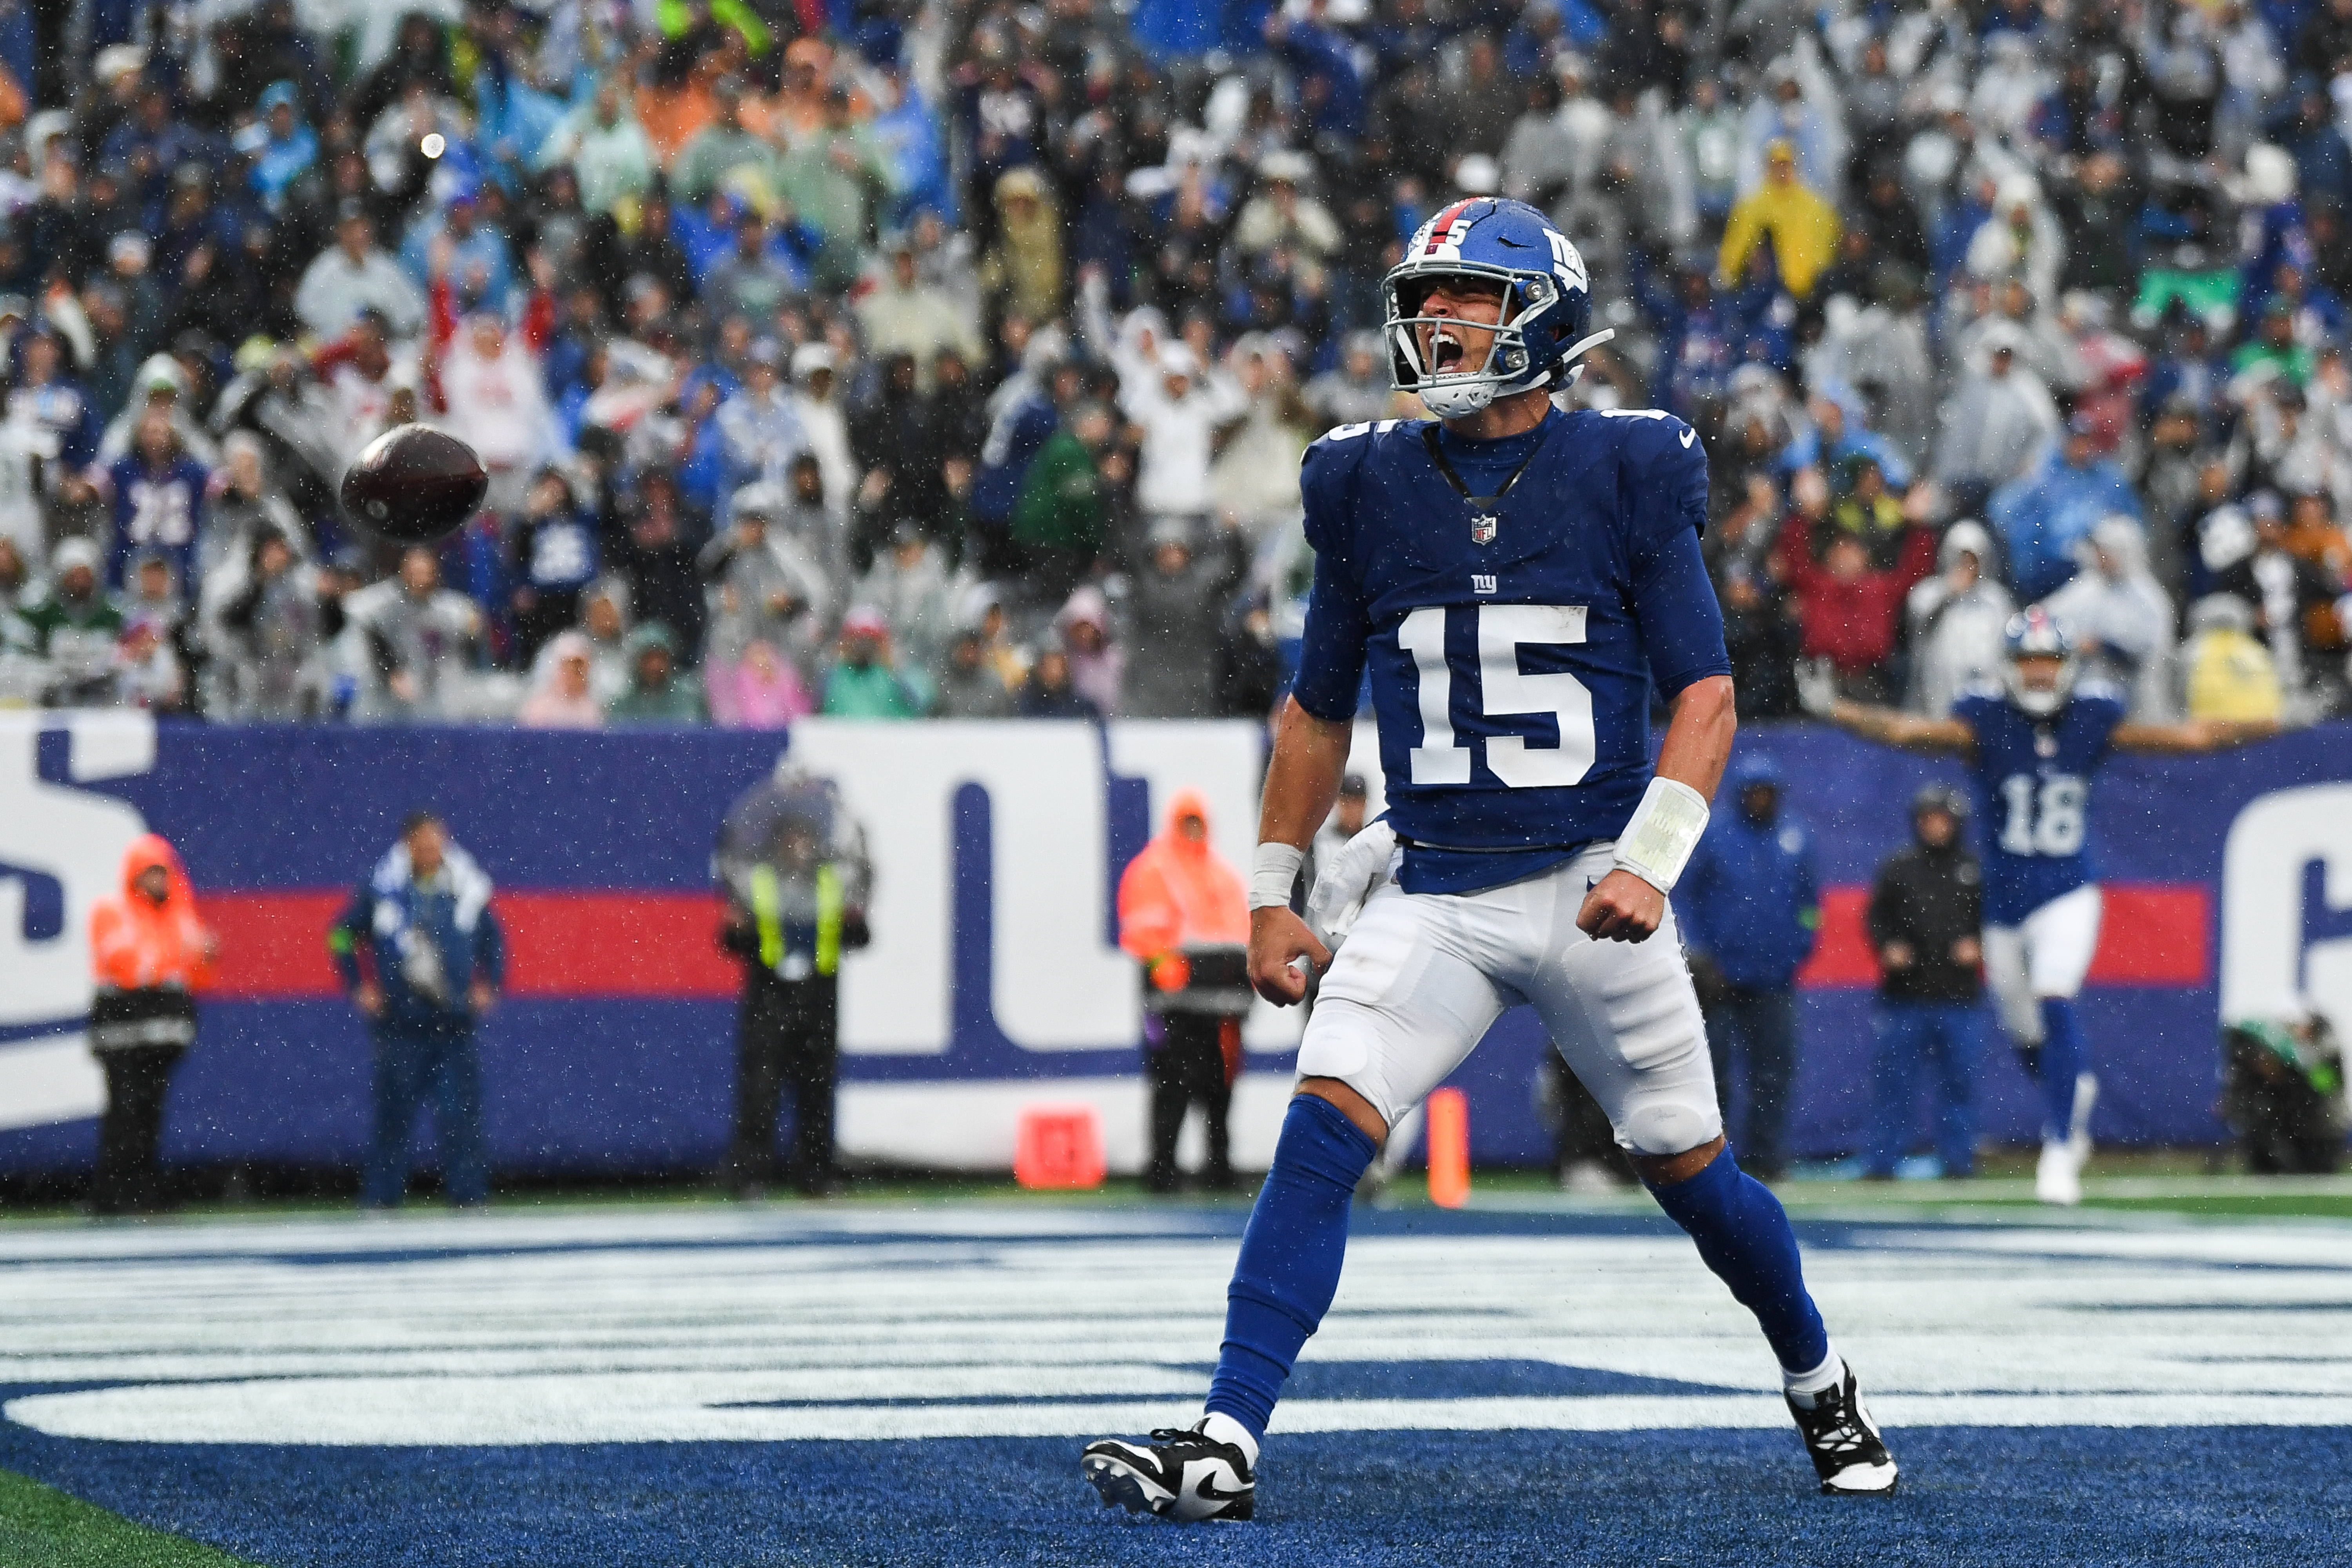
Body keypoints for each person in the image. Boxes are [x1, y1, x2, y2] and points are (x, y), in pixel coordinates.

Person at [1083, 198, 1897, 1519]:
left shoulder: (1628, 470)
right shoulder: (1364, 482)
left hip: (1592, 887)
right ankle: (1226, 1439)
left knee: (1696, 1176)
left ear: (1546, 322)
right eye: (1425, 297)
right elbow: (1315, 709)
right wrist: (1275, 892)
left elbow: (1706, 700)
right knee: (1322, 1123)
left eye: (1465, 297)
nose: (1434, 321)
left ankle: (1816, 1376)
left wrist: (1653, 860)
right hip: (1437, 888)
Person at [1801, 610, 2283, 1205]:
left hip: (2067, 891)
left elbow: (2192, 738)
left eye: (2049, 660)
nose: (2037, 673)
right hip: (2005, 905)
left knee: (2057, 1000)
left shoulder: (2092, 718)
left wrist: (2273, 723)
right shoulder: (1986, 721)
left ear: (2067, 666)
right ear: (2009, 667)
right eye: (2028, 661)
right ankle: (2069, 1098)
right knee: (2028, 1034)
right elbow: (1908, 733)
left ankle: (2059, 1147)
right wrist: (1840, 711)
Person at [328, 812, 504, 1210]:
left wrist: (488, 983)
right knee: (394, 1116)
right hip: (402, 1024)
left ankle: (468, 1196)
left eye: (437, 844)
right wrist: (360, 985)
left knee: (460, 1115)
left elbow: (493, 939)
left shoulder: (464, 887)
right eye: (424, 845)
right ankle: (382, 1198)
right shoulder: (383, 888)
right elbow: (340, 934)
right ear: (408, 845)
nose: (431, 852)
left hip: (453, 1024)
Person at [715, 770, 872, 1198]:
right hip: (769, 996)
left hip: (819, 996)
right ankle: (750, 1175)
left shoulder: (830, 883)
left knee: (817, 1089)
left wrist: (854, 921)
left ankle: (816, 1174)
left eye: (805, 839)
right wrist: (738, 926)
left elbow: (859, 937)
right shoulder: (759, 883)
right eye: (791, 839)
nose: (799, 847)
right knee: (760, 1089)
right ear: (778, 844)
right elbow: (731, 939)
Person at [1675, 755, 1820, 1184]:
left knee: (1774, 1070)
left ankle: (1769, 1155)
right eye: (1754, 792)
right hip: (1719, 977)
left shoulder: (1796, 837)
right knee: (1713, 1070)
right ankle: (1714, 1158)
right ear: (1741, 794)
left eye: (1768, 792)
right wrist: (1701, 956)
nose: (1761, 800)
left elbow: (1810, 905)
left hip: (1775, 976)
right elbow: (1687, 898)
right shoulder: (1714, 835)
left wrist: (1800, 949)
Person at [1116, 789, 1252, 1195]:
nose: (1193, 831)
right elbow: (1140, 930)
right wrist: (1165, 969)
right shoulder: (1153, 870)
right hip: (1172, 1007)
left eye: (1199, 823)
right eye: (1187, 822)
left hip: (1219, 1008)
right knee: (1171, 1088)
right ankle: (1162, 1169)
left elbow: (1240, 935)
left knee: (1219, 1093)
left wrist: (1240, 992)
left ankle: (1219, 1168)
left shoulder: (1222, 874)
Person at [86, 834, 215, 1216]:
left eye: (163, 873)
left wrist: (193, 956)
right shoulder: (113, 910)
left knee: (148, 1114)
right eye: (151, 873)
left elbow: (197, 969)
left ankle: (142, 1190)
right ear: (134, 874)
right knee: (123, 1112)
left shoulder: (176, 913)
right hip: (122, 1032)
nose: (158, 881)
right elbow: (126, 965)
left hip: (160, 1034)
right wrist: (171, 958)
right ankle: (112, 1193)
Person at [1864, 786, 1988, 1181]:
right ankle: (1883, 1161)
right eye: (1929, 819)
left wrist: (1978, 943)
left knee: (1959, 1082)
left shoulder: (1974, 869)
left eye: (1942, 820)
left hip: (1958, 994)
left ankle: (1959, 1160)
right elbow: (1875, 917)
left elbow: (1996, 919)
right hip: (1906, 993)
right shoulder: (1899, 867)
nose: (1935, 827)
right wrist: (1889, 947)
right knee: (1894, 1083)